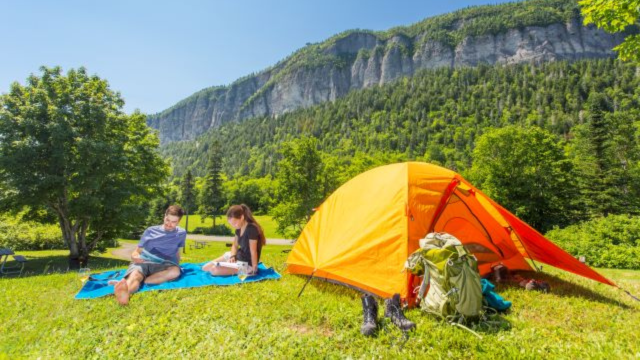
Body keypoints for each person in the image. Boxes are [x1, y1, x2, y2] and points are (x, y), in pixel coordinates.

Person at [113, 205, 187, 305]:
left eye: (173, 222)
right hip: (145, 261)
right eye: (167, 220)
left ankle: (144, 280)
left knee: (175, 271)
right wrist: (134, 256)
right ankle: (125, 294)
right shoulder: (150, 231)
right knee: (135, 275)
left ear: (178, 222)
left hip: (164, 265)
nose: (169, 224)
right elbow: (137, 251)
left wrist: (177, 265)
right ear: (164, 216)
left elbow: (178, 251)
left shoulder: (182, 233)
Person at [203, 204, 266, 276]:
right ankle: (229, 264)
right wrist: (232, 256)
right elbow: (235, 246)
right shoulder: (238, 229)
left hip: (247, 265)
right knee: (205, 267)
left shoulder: (251, 229)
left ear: (242, 217)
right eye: (231, 224)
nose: (234, 226)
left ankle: (233, 267)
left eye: (235, 223)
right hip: (236, 258)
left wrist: (254, 269)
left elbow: (253, 251)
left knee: (214, 270)